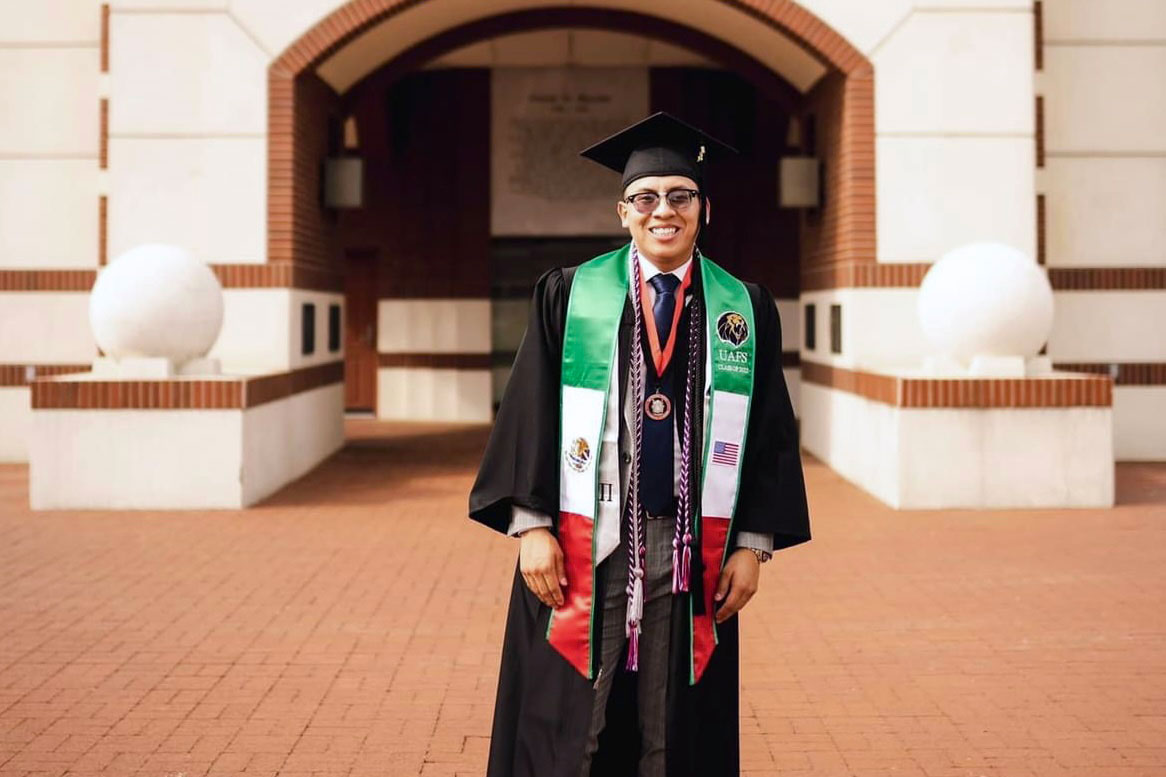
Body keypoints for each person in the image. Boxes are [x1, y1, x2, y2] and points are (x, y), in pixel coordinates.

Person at [469, 112, 811, 777]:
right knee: (570, 717)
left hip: (689, 549)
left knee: (670, 723)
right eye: (647, 197)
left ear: (703, 209)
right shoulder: (571, 296)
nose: (664, 211)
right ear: (622, 210)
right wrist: (531, 526)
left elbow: (770, 428)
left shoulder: (742, 308)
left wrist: (752, 542)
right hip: (580, 537)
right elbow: (529, 411)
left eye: (680, 196)